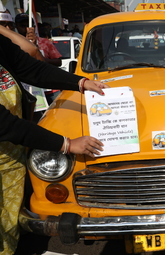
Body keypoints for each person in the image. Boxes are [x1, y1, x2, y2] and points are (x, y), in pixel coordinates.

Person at [0, 33, 109, 255]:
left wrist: (80, 82)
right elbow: (4, 124)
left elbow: (31, 66)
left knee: (9, 225)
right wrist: (66, 144)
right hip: (9, 136)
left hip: (11, 155)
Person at [15, 13, 62, 105]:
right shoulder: (13, 44)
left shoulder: (45, 42)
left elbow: (58, 61)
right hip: (29, 92)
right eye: (22, 26)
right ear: (16, 26)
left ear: (33, 27)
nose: (25, 29)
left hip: (50, 90)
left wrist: (41, 59)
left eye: (28, 26)